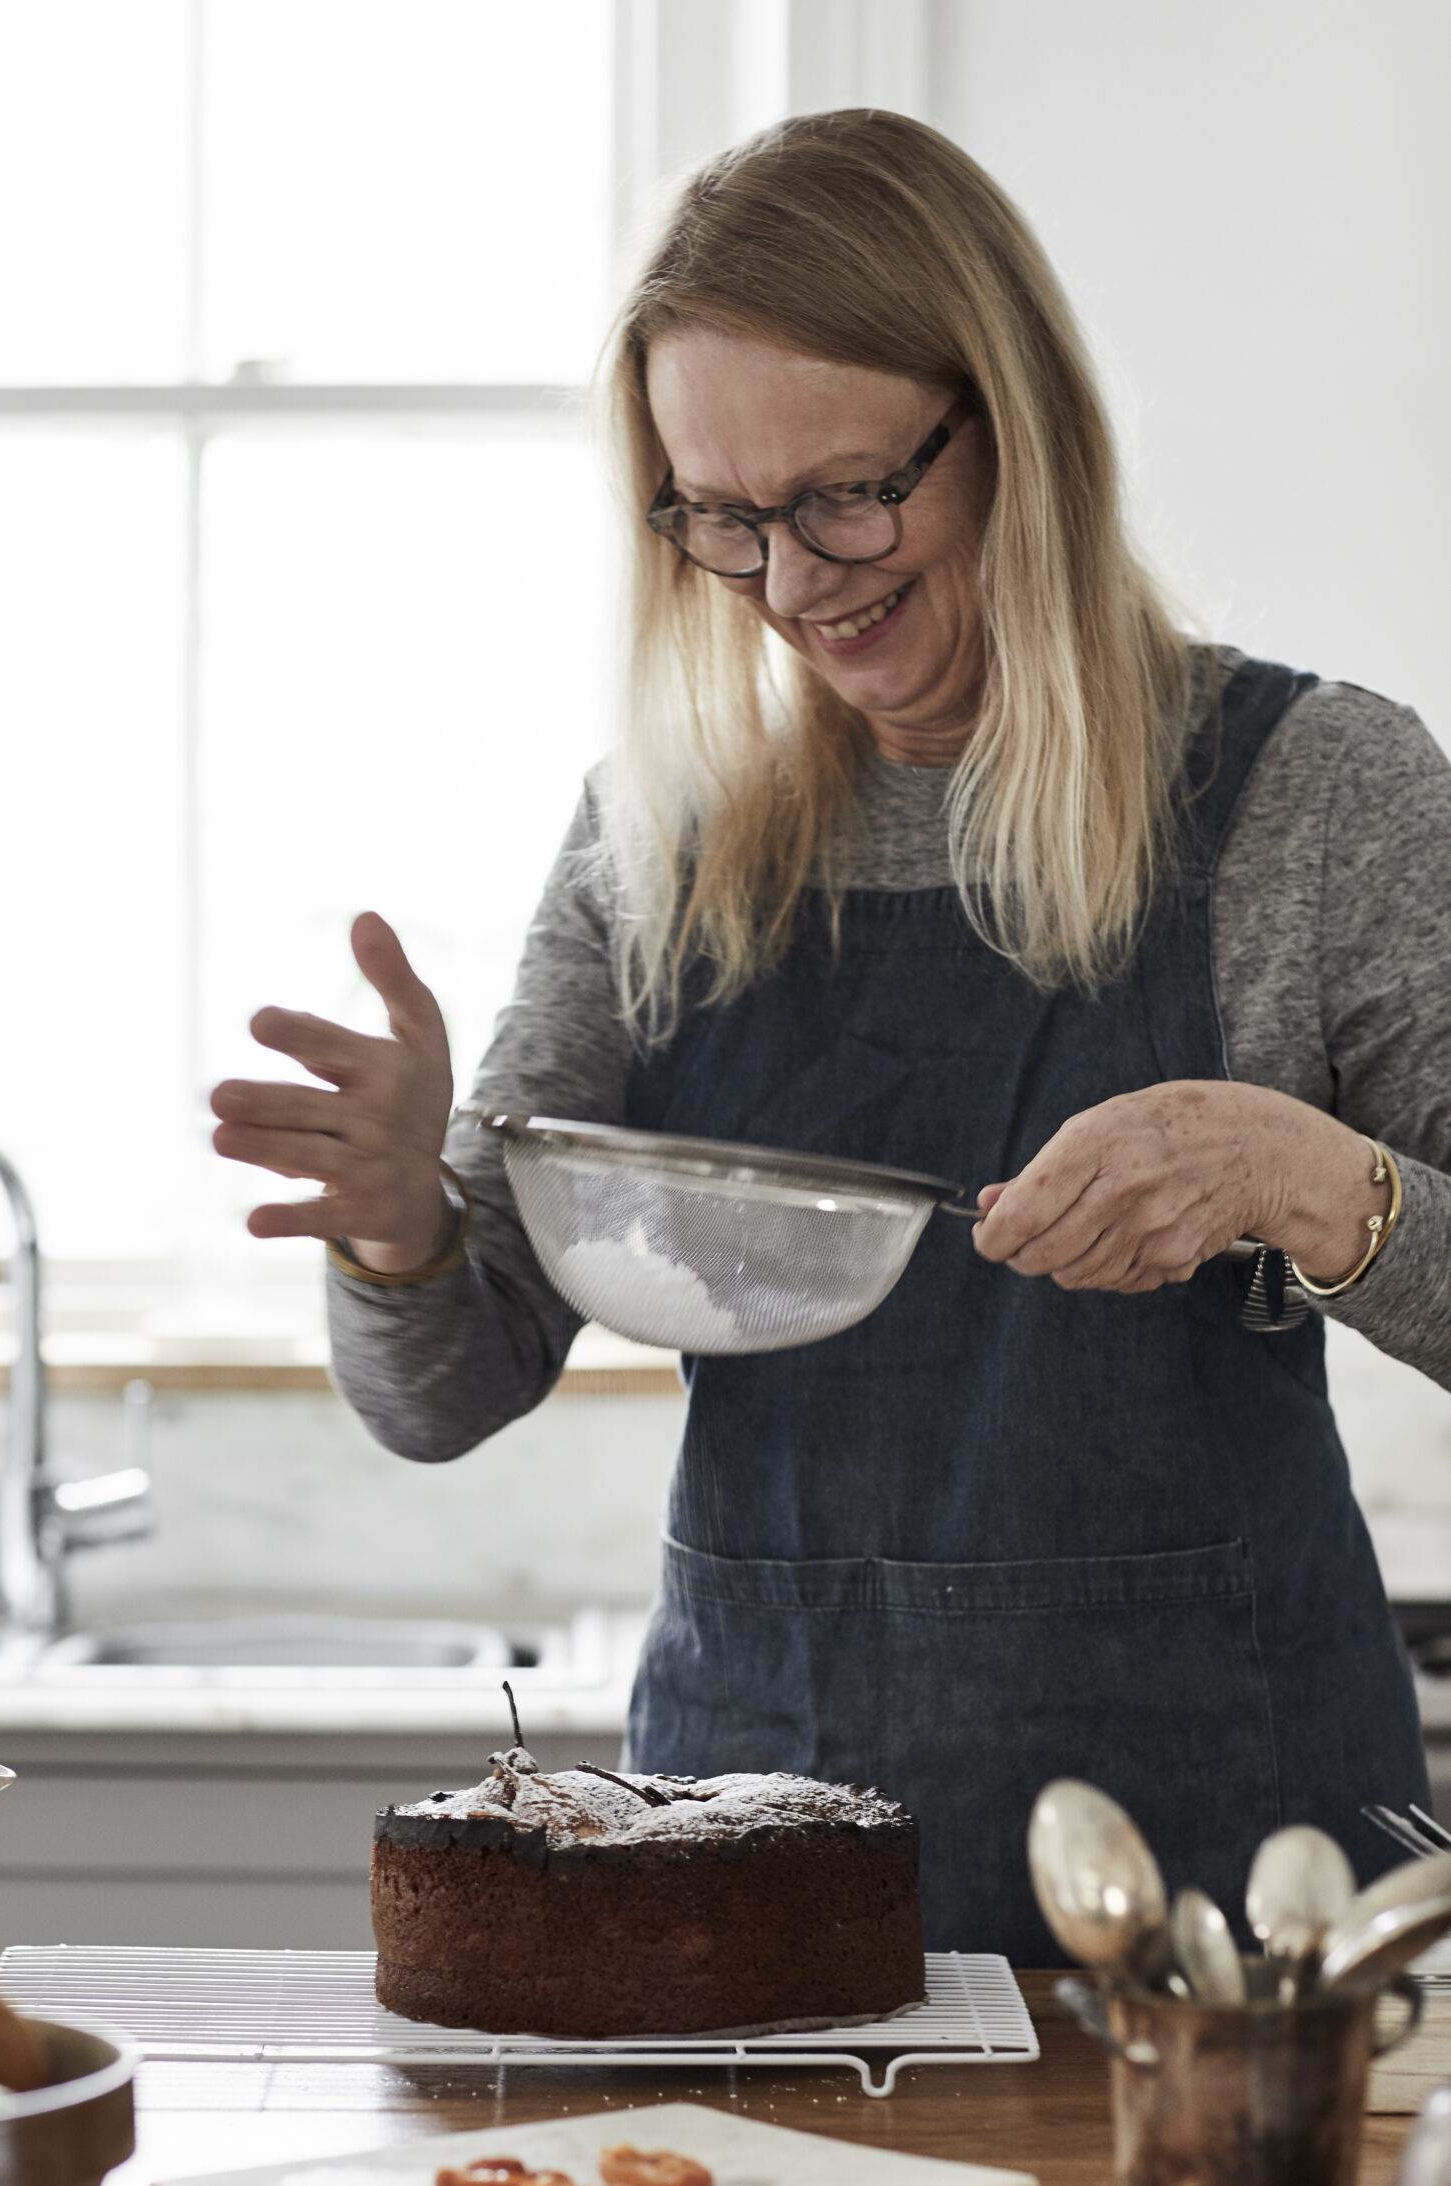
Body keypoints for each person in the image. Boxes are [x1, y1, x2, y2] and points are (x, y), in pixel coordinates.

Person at [210, 111, 1447, 1961]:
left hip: (1217, 1915)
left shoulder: (1317, 797)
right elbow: (441, 1393)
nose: (793, 583)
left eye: (849, 493)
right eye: (723, 516)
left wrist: (1321, 1187)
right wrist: (403, 1228)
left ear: (1013, 430)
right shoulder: (661, 841)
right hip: (736, 1864)